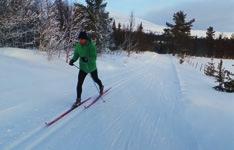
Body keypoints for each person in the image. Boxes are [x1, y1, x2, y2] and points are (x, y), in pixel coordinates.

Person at [69, 31, 104, 107]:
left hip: (91, 67)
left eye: (82, 39)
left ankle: (101, 86)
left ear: (85, 39)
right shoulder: (78, 46)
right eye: (79, 39)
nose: (80, 41)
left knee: (95, 79)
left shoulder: (91, 46)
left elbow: (94, 57)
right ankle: (78, 99)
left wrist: (87, 59)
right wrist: (73, 60)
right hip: (83, 67)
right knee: (79, 83)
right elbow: (76, 55)